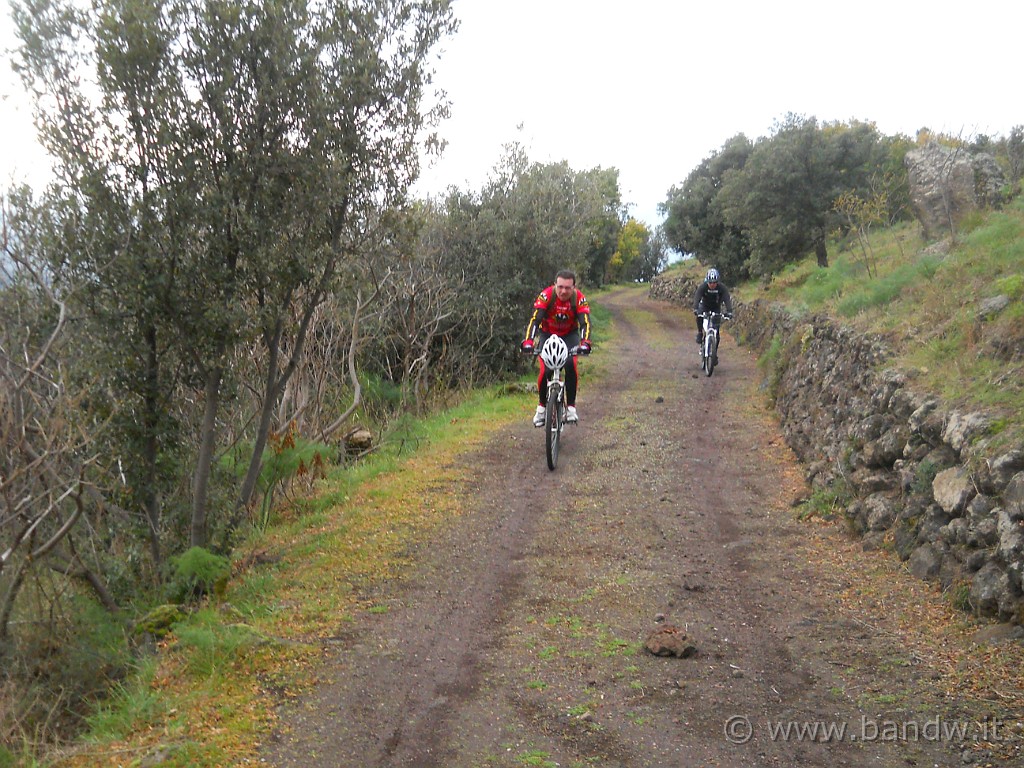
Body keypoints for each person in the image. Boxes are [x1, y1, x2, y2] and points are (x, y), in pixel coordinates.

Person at [520, 270, 592, 426]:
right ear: (555, 285)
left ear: (574, 287)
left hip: (569, 336)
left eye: (567, 288)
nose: (563, 291)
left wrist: (585, 343)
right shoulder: (546, 296)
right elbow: (535, 320)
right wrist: (528, 342)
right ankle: (541, 408)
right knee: (545, 370)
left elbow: (585, 322)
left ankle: (571, 408)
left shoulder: (579, 299)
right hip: (547, 335)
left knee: (570, 366)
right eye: (560, 287)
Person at [692, 267, 734, 345]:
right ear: (707, 281)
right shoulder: (703, 287)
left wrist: (729, 311)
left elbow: (727, 299)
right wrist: (695, 308)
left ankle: (714, 353)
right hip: (704, 306)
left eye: (714, 282)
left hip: (716, 307)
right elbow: (697, 297)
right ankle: (700, 333)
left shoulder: (722, 288)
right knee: (699, 316)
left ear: (717, 282)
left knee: (717, 333)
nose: (712, 284)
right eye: (710, 282)